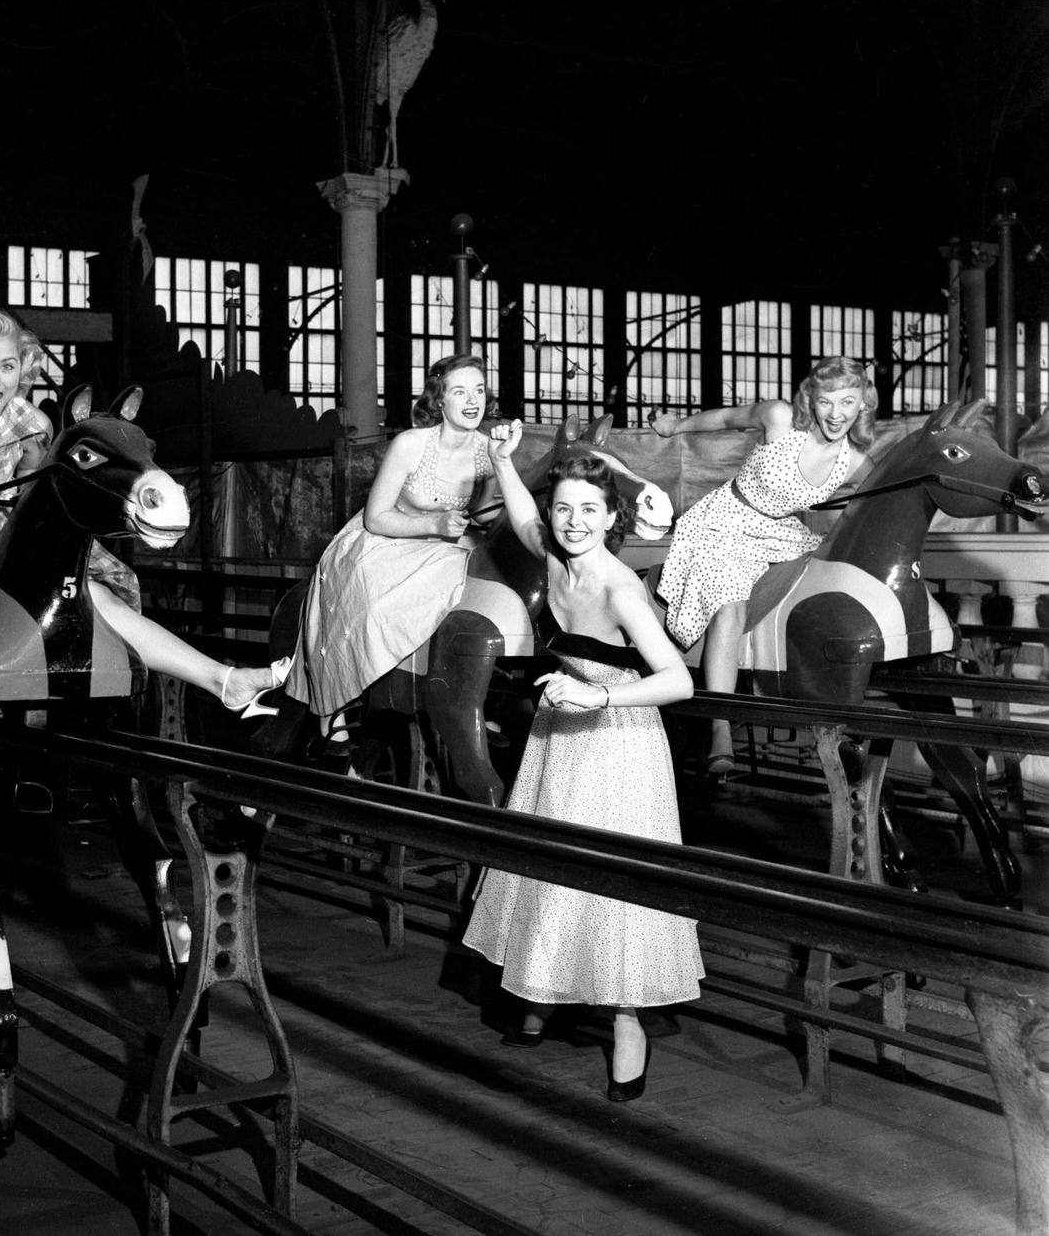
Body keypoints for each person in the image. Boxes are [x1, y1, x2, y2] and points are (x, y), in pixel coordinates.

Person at [0, 304, 286, 749]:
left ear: (22, 370)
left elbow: (39, 497)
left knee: (97, 598)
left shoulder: (32, 426)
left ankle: (224, 680)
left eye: (7, 367)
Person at [461, 420, 702, 1103]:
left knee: (607, 878)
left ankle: (629, 1022)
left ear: (611, 517)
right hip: (560, 727)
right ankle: (543, 991)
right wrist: (504, 461)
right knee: (549, 864)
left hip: (618, 737)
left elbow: (679, 682)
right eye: (562, 507)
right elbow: (524, 519)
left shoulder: (620, 586)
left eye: (588, 511)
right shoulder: (552, 553)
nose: (571, 522)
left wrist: (595, 693)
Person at [650, 357, 877, 774]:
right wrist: (675, 425)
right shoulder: (780, 418)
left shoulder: (858, 464)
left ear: (863, 403)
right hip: (726, 522)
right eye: (826, 401)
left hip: (783, 534)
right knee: (731, 604)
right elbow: (725, 418)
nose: (836, 413)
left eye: (848, 401)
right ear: (811, 398)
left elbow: (878, 506)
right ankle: (720, 726)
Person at [283, 352, 500, 756]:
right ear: (439, 400)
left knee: (481, 589)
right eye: (459, 391)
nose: (472, 400)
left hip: (446, 548)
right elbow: (376, 518)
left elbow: (486, 511)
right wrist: (434, 525)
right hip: (385, 540)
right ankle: (337, 706)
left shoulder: (489, 450)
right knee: (372, 610)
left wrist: (465, 527)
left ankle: (463, 697)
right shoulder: (411, 444)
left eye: (479, 390)